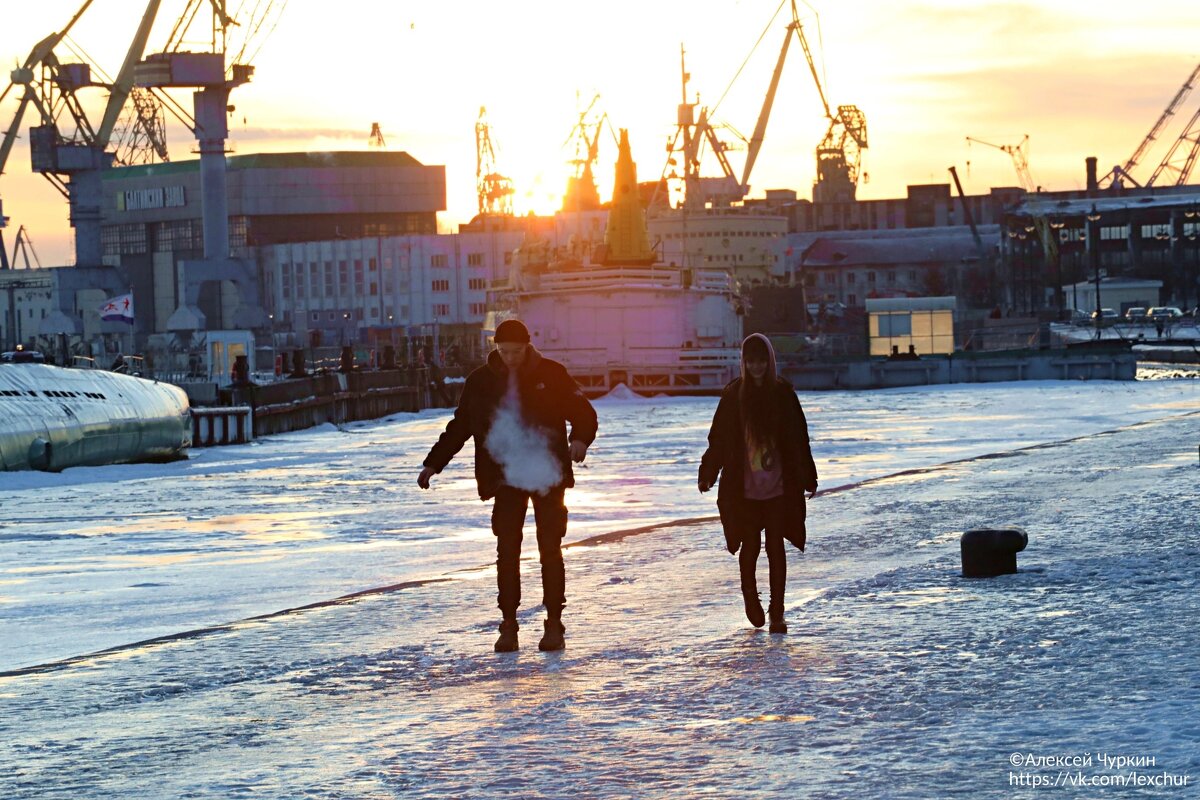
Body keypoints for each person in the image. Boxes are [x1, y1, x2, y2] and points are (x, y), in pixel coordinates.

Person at [418, 319, 597, 652]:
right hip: (505, 476)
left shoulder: (551, 373)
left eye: (516, 351)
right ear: (495, 349)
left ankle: (554, 623)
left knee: (550, 549)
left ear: (527, 346)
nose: (510, 357)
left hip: (547, 474)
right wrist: (433, 463)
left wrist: (581, 440)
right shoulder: (481, 381)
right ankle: (509, 625)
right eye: (504, 351)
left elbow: (583, 412)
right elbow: (461, 426)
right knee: (507, 551)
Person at [698, 333, 818, 634]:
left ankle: (777, 610)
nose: (756, 366)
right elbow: (719, 439)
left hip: (779, 486)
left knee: (775, 547)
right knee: (749, 547)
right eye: (751, 361)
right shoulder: (734, 396)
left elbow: (799, 438)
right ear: (744, 362)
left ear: (769, 360)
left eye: (761, 360)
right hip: (744, 489)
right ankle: (751, 599)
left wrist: (808, 474)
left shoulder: (783, 394)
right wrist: (708, 471)